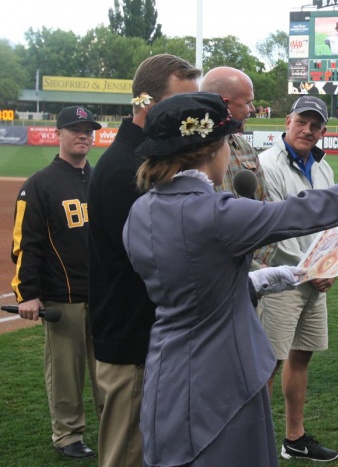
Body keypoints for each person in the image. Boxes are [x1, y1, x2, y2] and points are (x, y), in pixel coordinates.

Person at [122, 92, 338, 466]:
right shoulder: (212, 211)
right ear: (212, 150)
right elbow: (306, 210)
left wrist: (253, 283)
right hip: (223, 373)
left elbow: (186, 286)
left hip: (167, 370)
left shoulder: (141, 210)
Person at [88, 54, 200, 467]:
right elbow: (165, 259)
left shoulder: (138, 160)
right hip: (132, 344)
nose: (189, 116)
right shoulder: (126, 168)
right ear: (148, 104)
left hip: (144, 340)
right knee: (127, 457)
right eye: (181, 104)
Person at [11, 106, 104, 459]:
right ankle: (68, 436)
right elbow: (25, 244)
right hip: (61, 299)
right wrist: (28, 294)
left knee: (108, 371)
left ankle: (113, 425)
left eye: (88, 129)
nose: (83, 135)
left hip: (103, 295)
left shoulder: (100, 179)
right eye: (75, 129)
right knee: (65, 373)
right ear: (58, 134)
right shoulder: (40, 183)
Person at [257, 96, 338, 461]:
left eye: (315, 125)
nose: (308, 130)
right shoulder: (266, 164)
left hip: (314, 276)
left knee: (301, 355)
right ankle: (254, 442)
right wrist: (315, 268)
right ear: (287, 121)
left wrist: (330, 265)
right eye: (302, 122)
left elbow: (330, 222)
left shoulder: (323, 168)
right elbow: (275, 226)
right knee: (267, 363)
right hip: (280, 278)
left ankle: (294, 437)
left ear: (323, 131)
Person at [200, 66, 276, 269]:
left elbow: (265, 212)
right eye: (248, 102)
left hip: (249, 282)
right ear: (225, 104)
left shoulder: (245, 148)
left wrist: (255, 270)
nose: (252, 109)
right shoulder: (188, 154)